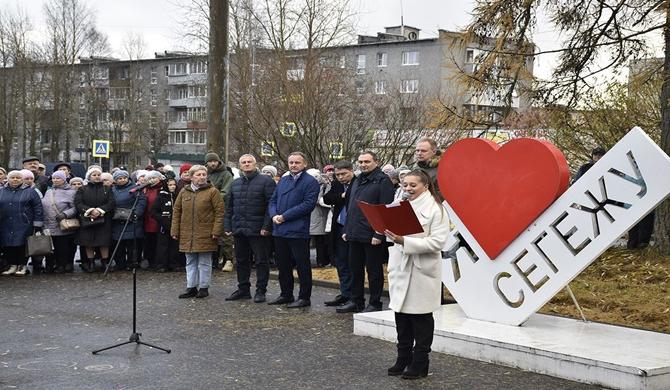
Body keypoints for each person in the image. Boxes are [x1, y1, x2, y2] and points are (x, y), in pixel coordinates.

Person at [384, 169, 449, 379]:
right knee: (401, 316)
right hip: (401, 265)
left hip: (421, 269)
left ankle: (420, 361)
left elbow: (439, 242)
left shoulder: (436, 209)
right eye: (405, 185)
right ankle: (403, 357)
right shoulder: (401, 206)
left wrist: (406, 241)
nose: (408, 189)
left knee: (420, 318)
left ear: (425, 185)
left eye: (413, 185)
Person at [337, 151, 395, 313]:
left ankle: (375, 303)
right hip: (354, 232)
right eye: (360, 161)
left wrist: (379, 233)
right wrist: (347, 229)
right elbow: (350, 206)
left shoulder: (383, 181)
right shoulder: (358, 180)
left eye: (367, 161)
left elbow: (385, 209)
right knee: (354, 269)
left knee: (374, 271)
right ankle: (356, 301)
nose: (363, 164)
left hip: (372, 235)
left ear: (376, 161)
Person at [267, 152, 320, 308]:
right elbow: (273, 200)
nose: (294, 165)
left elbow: (307, 205)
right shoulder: (283, 180)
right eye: (291, 162)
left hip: (298, 231)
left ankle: (304, 297)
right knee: (283, 265)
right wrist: (274, 215)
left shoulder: (310, 182)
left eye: (297, 162)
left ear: (304, 164)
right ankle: (286, 294)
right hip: (280, 230)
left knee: (302, 266)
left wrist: (284, 216)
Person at [224, 154, 276, 303]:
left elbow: (270, 206)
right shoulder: (235, 184)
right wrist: (228, 225)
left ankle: (261, 290)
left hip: (258, 229)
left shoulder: (266, 181)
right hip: (239, 229)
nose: (246, 164)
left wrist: (267, 226)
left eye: (249, 162)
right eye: (243, 162)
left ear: (255, 164)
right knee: (241, 261)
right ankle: (243, 289)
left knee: (261, 261)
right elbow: (230, 207)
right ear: (240, 165)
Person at [172, 165, 225, 299]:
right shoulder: (184, 192)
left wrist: (216, 230)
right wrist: (175, 229)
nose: (201, 177)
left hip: (206, 232)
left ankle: (203, 287)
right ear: (191, 177)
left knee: (204, 262)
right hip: (187, 232)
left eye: (203, 174)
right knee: (190, 261)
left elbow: (220, 212)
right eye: (198, 175)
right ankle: (191, 287)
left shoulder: (213, 192)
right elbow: (177, 211)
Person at [322, 160, 356, 308]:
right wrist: (342, 196)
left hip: (353, 227)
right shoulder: (337, 184)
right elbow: (327, 198)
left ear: (351, 171)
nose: (341, 177)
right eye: (338, 174)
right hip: (339, 226)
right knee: (341, 262)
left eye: (344, 174)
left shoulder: (357, 183)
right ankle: (345, 293)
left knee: (353, 263)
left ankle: (354, 296)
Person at [0, 170, 44, 276]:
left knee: (22, 245)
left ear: (22, 179)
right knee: (7, 245)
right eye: (12, 177)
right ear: (8, 179)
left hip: (24, 223)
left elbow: (38, 208)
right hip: (5, 223)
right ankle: (12, 265)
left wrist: (37, 224)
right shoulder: (1, 191)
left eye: (18, 178)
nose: (15, 179)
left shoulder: (30, 191)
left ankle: (23, 265)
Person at [75, 167, 116, 272]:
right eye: (94, 175)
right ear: (89, 177)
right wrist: (90, 210)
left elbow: (111, 203)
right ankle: (91, 263)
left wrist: (100, 210)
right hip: (87, 218)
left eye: (98, 175)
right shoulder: (82, 189)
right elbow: (78, 203)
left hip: (104, 219)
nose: (97, 177)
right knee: (88, 243)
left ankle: (105, 263)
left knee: (104, 242)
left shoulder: (107, 189)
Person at [41, 171, 78, 273]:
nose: (55, 180)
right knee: (49, 247)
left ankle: (61, 265)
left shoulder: (71, 192)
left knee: (61, 247)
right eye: (54, 178)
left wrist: (65, 214)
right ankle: (49, 266)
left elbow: (75, 208)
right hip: (48, 223)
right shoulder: (49, 191)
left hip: (62, 224)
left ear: (64, 179)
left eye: (58, 178)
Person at [111, 170, 146, 271]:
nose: (122, 180)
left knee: (132, 244)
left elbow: (141, 201)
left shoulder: (135, 189)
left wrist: (136, 214)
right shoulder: (112, 190)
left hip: (131, 218)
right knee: (119, 245)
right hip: (117, 219)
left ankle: (132, 263)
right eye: (119, 178)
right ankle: (120, 263)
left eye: (124, 178)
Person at [205, 151, 234, 271]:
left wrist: (210, 198)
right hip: (208, 209)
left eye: (214, 161)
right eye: (210, 161)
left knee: (225, 235)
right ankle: (214, 260)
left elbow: (226, 192)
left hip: (223, 208)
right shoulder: (205, 174)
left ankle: (229, 260)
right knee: (211, 235)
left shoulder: (226, 174)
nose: (212, 163)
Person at [150, 177, 182, 272]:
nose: (172, 187)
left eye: (174, 185)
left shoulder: (178, 196)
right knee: (162, 245)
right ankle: (161, 265)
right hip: (163, 226)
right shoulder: (160, 197)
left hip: (175, 225)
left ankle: (174, 264)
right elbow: (153, 211)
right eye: (170, 185)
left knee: (175, 245)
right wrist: (162, 219)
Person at [307, 168, 331, 267]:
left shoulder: (325, 186)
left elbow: (324, 200)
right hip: (314, 216)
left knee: (321, 241)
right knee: (318, 241)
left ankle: (321, 261)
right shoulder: (319, 186)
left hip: (320, 217)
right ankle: (320, 261)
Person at [142, 170, 164, 270]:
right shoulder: (145, 189)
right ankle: (150, 260)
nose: (152, 180)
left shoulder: (162, 188)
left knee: (158, 241)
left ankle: (158, 261)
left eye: (154, 178)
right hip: (147, 219)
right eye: (149, 178)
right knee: (149, 241)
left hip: (158, 218)